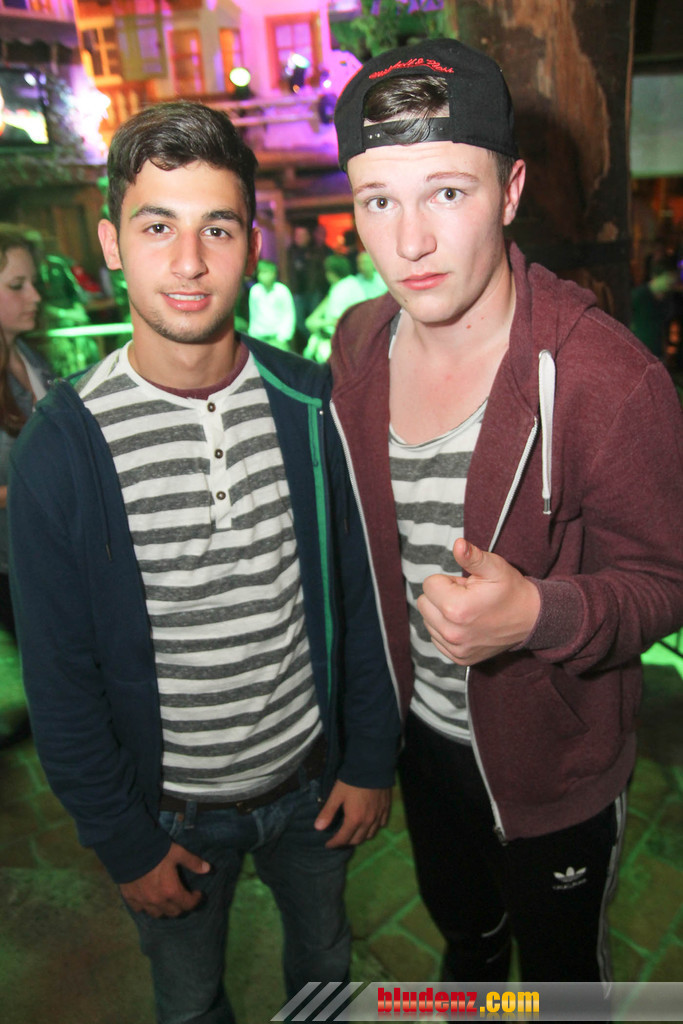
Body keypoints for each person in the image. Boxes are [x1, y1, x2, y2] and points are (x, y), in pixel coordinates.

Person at [8, 101, 400, 1023]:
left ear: (252, 245)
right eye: (157, 227)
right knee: (189, 1003)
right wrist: (123, 841)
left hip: (312, 785)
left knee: (325, 971)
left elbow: (360, 594)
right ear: (111, 243)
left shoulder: (310, 404)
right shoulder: (62, 448)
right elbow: (60, 679)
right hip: (169, 815)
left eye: (216, 228)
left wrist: (370, 757)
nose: (188, 262)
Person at [329, 38, 683, 984]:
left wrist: (536, 613)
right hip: (422, 744)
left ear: (510, 190)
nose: (408, 242)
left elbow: (665, 581)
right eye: (377, 201)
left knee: (560, 982)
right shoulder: (356, 345)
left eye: (446, 192)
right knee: (469, 950)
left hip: (554, 766)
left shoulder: (610, 379)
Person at [0, 225, 52, 748]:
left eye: (33, 283)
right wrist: (33, 489)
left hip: (41, 547)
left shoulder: (31, 357)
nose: (34, 296)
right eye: (17, 286)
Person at [303, 254, 366, 363]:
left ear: (331, 273)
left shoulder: (340, 290)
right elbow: (313, 318)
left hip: (342, 344)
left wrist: (318, 323)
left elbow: (336, 321)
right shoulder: (352, 283)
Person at [630, 254, 679, 360]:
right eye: (668, 278)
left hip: (657, 352)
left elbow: (664, 327)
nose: (671, 282)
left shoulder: (667, 300)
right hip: (638, 351)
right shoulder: (639, 295)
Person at [247, 258, 296, 349]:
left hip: (277, 339)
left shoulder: (282, 290)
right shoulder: (255, 291)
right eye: (260, 272)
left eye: (265, 272)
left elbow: (289, 315)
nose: (261, 275)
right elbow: (253, 315)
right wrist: (252, 337)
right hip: (259, 338)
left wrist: (283, 338)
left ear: (273, 274)